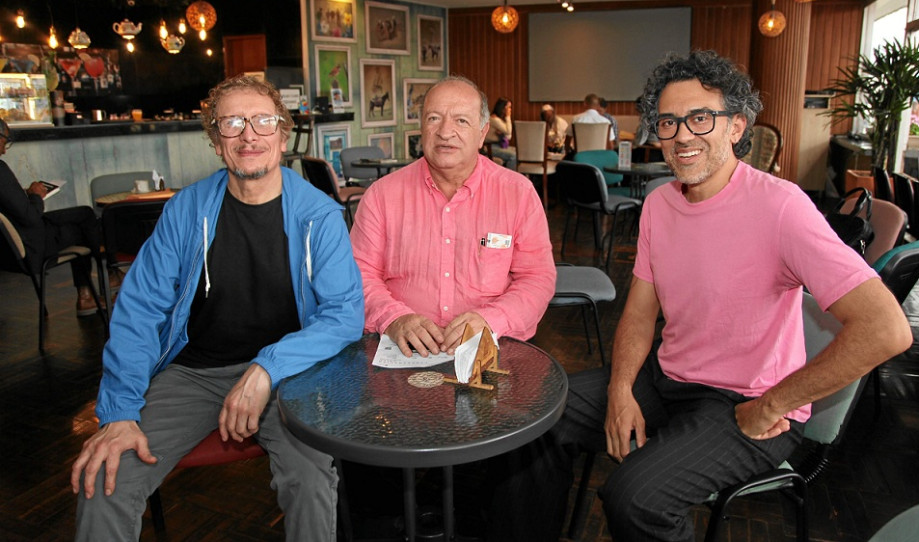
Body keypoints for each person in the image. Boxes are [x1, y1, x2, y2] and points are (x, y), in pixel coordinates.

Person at [503, 50, 913, 542]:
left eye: (701, 118)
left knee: (634, 498)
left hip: (746, 404)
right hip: (667, 377)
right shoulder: (658, 205)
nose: (682, 136)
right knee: (532, 420)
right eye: (669, 122)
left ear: (737, 126)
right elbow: (637, 314)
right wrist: (620, 390)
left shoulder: (781, 207)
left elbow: (886, 329)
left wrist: (773, 403)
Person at [70, 75, 364, 541]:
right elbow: (139, 310)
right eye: (232, 123)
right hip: (194, 373)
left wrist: (267, 368)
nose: (249, 135)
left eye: (263, 121)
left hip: (290, 376)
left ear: (282, 135)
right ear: (215, 140)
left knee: (310, 481)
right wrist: (120, 412)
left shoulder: (318, 214)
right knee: (104, 480)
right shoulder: (186, 211)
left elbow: (344, 315)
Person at [349, 76, 556, 357]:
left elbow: (537, 277)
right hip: (400, 350)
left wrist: (491, 320)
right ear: (421, 127)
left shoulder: (517, 194)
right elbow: (359, 273)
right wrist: (394, 317)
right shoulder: (381, 196)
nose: (446, 132)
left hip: (493, 347)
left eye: (461, 121)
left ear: (482, 133)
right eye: (434, 118)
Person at [0, 118, 106, 316]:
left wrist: (25, 195)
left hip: (9, 251)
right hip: (32, 246)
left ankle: (91, 292)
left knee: (83, 213)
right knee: (83, 224)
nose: (5, 150)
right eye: (5, 142)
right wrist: (35, 195)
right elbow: (31, 217)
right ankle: (100, 282)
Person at [485, 97, 517, 169]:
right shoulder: (494, 119)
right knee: (513, 155)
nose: (510, 110)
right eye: (508, 107)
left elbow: (509, 136)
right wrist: (508, 116)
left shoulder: (499, 120)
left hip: (498, 145)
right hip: (490, 147)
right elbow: (508, 131)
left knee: (517, 151)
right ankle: (509, 178)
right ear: (502, 108)